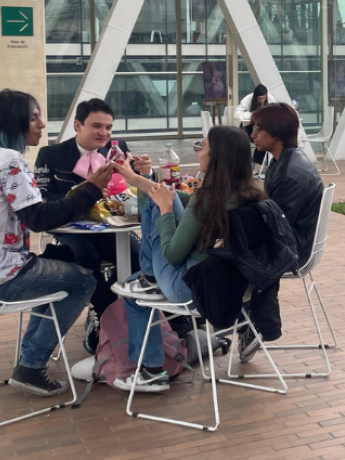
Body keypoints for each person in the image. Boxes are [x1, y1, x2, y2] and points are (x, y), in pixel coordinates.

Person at [0, 89, 109, 397]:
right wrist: (90, 189)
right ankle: (32, 363)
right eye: (34, 117)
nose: (41, 125)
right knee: (83, 281)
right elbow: (38, 218)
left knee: (57, 272)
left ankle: (30, 360)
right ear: (13, 122)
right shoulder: (10, 160)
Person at [109, 126, 265, 392]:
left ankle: (151, 371)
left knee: (133, 296)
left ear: (216, 157)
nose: (198, 152)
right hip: (235, 285)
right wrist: (142, 179)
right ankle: (147, 278)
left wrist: (166, 210)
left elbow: (172, 253)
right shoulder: (252, 194)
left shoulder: (207, 200)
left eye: (202, 147)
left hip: (189, 288)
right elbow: (189, 201)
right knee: (158, 198)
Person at [34, 98, 152, 353]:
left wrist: (144, 174)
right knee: (86, 256)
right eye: (97, 126)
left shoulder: (117, 150)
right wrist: (82, 196)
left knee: (139, 258)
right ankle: (105, 318)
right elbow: (42, 199)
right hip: (69, 226)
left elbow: (131, 193)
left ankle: (135, 315)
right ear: (78, 125)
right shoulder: (51, 155)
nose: (104, 133)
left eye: (109, 127)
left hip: (109, 225)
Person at [248, 103, 323, 360]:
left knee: (226, 256)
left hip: (293, 248)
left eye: (258, 129)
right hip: (292, 238)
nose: (253, 135)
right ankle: (246, 320)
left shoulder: (291, 173)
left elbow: (275, 228)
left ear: (276, 133)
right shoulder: (285, 160)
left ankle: (256, 325)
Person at [235, 84, 271, 171]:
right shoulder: (248, 99)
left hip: (261, 129)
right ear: (255, 97)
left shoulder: (270, 99)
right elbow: (236, 114)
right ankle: (249, 164)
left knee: (266, 140)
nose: (262, 100)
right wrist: (254, 115)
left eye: (264, 98)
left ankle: (257, 162)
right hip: (248, 128)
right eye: (259, 98)